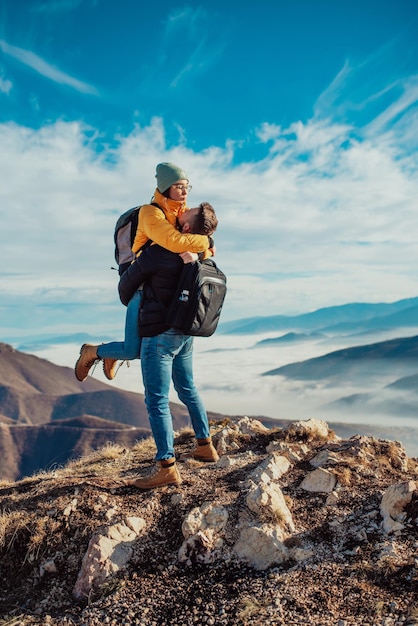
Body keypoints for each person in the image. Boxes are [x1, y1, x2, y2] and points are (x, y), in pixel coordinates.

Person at [75, 163, 215, 382]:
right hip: (140, 285)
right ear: (166, 187)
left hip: (158, 289)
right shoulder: (150, 213)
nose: (185, 191)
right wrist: (207, 241)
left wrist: (202, 252)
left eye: (187, 186)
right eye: (178, 186)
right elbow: (175, 242)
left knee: (137, 349)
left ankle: (108, 354)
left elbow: (205, 249)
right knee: (134, 350)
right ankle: (93, 352)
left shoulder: (181, 217)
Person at [118, 212, 220, 490]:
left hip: (159, 334)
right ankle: (205, 446)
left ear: (185, 227)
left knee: (157, 401)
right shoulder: (200, 251)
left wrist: (132, 295)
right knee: (187, 388)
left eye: (183, 213)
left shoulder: (159, 251)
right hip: (186, 332)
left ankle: (166, 467)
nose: (178, 212)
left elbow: (125, 284)